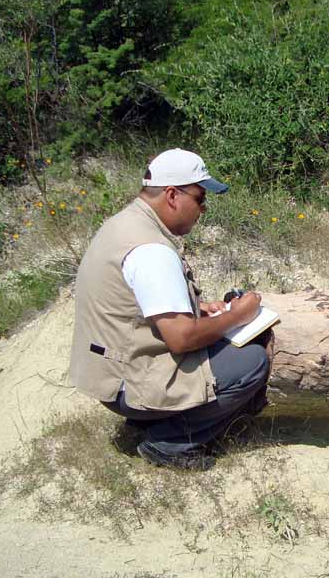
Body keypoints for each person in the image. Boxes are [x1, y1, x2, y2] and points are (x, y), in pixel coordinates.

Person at [69, 148, 271, 470]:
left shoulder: (124, 224)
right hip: (126, 386)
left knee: (222, 343)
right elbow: (181, 339)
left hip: (107, 376)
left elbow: (132, 303)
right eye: (201, 198)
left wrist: (195, 307)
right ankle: (170, 442)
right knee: (251, 362)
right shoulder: (152, 251)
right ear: (173, 195)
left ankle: (151, 420)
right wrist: (239, 315)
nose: (204, 209)